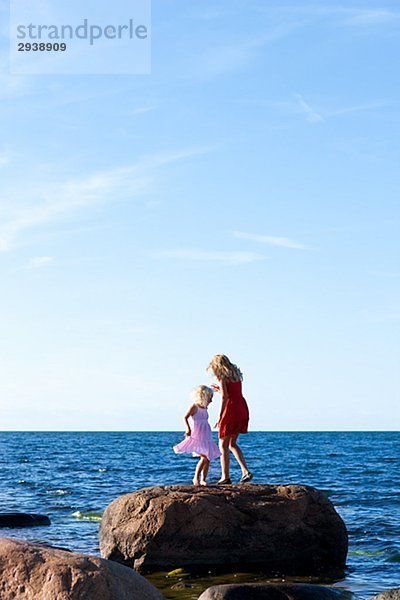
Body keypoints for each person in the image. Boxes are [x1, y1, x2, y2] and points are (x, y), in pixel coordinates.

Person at [207, 354, 252, 484]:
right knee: (232, 443)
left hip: (231, 409)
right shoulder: (236, 375)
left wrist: (220, 416)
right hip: (241, 407)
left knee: (223, 444)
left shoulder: (222, 377)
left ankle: (225, 477)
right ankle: (245, 471)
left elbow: (225, 397)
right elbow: (233, 393)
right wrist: (221, 390)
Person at [173, 385, 221, 486]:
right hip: (198, 435)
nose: (211, 400)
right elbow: (185, 417)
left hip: (206, 435)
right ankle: (196, 478)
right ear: (203, 397)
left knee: (207, 459)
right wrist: (188, 429)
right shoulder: (194, 407)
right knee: (204, 457)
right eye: (210, 398)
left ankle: (203, 479)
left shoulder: (205, 408)